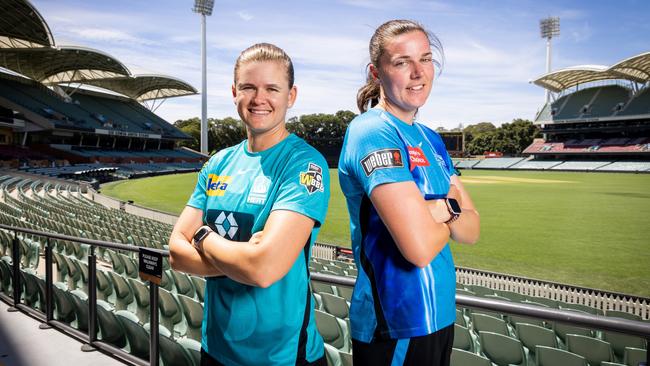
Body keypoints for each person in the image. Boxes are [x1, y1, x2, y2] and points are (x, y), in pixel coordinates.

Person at [169, 43, 329, 366]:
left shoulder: (304, 163)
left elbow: (263, 269)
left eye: (272, 88)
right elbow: (175, 253)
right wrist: (246, 258)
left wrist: (203, 238)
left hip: (283, 356)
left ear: (291, 95)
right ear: (234, 92)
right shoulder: (217, 163)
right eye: (249, 87)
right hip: (215, 349)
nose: (259, 99)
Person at [338, 20, 480, 366]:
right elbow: (417, 249)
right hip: (396, 324)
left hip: (440, 314)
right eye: (402, 62)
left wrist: (432, 211)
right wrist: (450, 207)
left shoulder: (431, 138)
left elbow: (472, 230)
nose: (419, 73)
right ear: (376, 73)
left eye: (426, 59)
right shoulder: (372, 131)